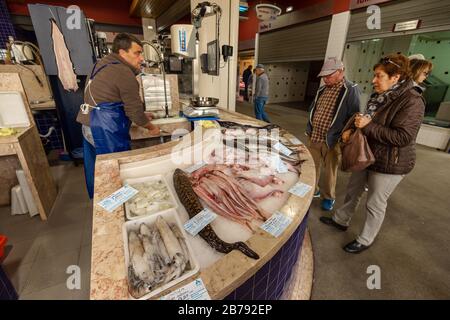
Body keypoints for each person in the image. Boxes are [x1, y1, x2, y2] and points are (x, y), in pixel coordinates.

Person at [320, 54, 425, 254]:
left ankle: (365, 239)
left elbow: (403, 137)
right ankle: (341, 220)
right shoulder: (380, 94)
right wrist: (354, 129)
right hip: (367, 153)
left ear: (396, 77)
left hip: (390, 162)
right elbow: (368, 119)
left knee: (375, 202)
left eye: (379, 76)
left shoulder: (412, 100)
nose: (373, 80)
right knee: (353, 190)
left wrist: (367, 127)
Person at [76, 33, 160, 199]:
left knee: (100, 170)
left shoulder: (100, 64)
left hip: (88, 125)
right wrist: (151, 127)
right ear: (122, 53)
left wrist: (142, 114)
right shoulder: (123, 72)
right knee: (115, 171)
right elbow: (134, 112)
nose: (141, 58)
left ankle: (103, 200)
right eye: (137, 53)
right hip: (104, 129)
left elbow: (108, 96)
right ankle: (117, 206)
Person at [306, 57, 361, 211]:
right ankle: (314, 190)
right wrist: (309, 127)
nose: (325, 79)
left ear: (340, 72)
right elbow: (313, 108)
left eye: (329, 75)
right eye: (324, 76)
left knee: (330, 170)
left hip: (333, 139)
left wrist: (346, 133)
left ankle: (329, 197)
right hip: (315, 135)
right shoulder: (322, 89)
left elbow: (354, 114)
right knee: (312, 167)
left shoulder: (350, 89)